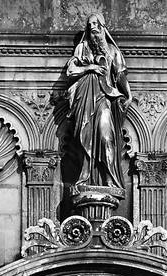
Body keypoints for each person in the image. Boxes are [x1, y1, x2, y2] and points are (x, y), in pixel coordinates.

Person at [66, 12, 132, 191]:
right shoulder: (82, 48)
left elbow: (120, 75)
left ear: (103, 27)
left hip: (105, 98)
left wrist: (129, 95)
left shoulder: (112, 50)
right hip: (85, 98)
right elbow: (71, 70)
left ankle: (110, 179)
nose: (92, 27)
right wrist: (90, 67)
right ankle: (85, 177)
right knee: (84, 136)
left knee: (106, 136)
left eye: (96, 24)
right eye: (90, 25)